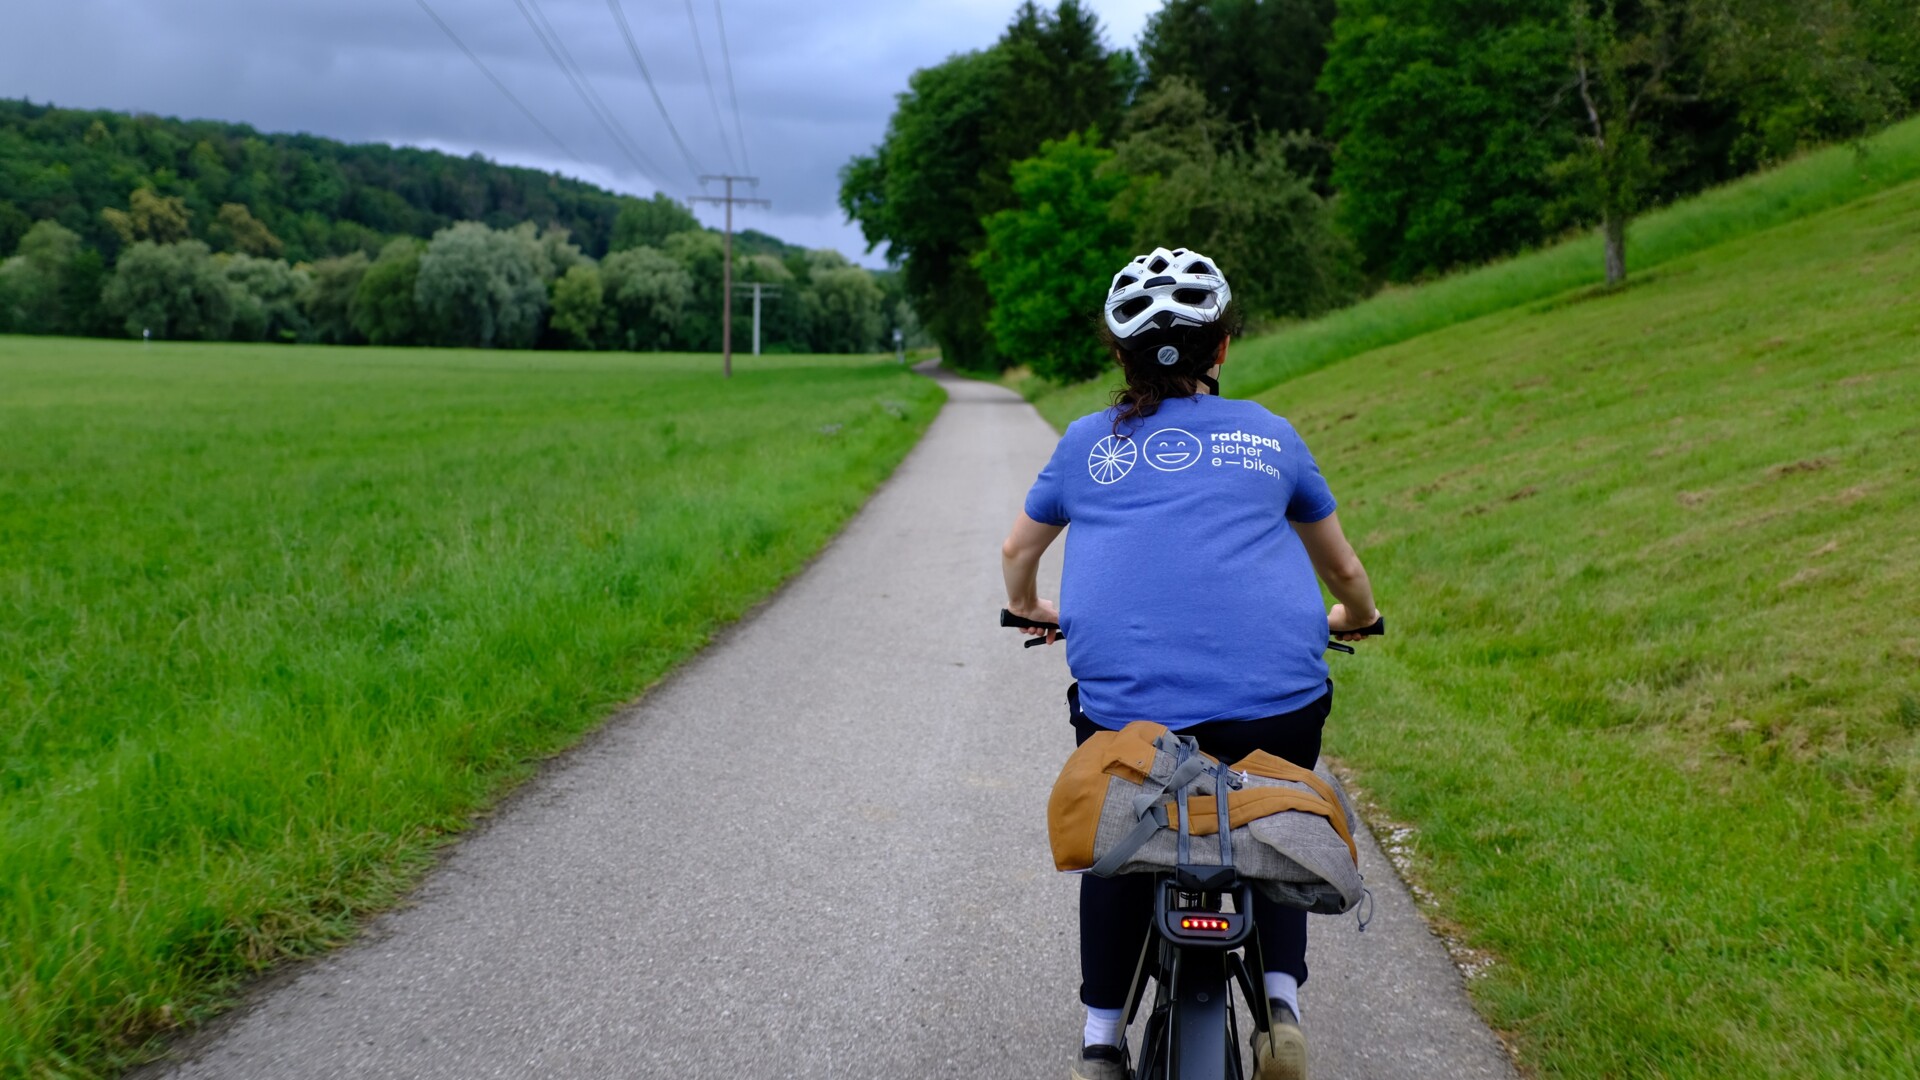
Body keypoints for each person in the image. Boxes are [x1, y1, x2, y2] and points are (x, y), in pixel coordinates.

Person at [1000, 247, 1380, 1080]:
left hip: (1129, 714)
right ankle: (1280, 1006)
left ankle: (1102, 1040)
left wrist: (1029, 606)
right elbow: (1343, 572)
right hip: (1274, 702)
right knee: (1271, 811)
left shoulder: (1084, 444)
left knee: (1123, 832)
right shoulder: (1271, 436)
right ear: (1223, 349)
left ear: (1117, 353)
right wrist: (1357, 617)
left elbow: (1017, 551)